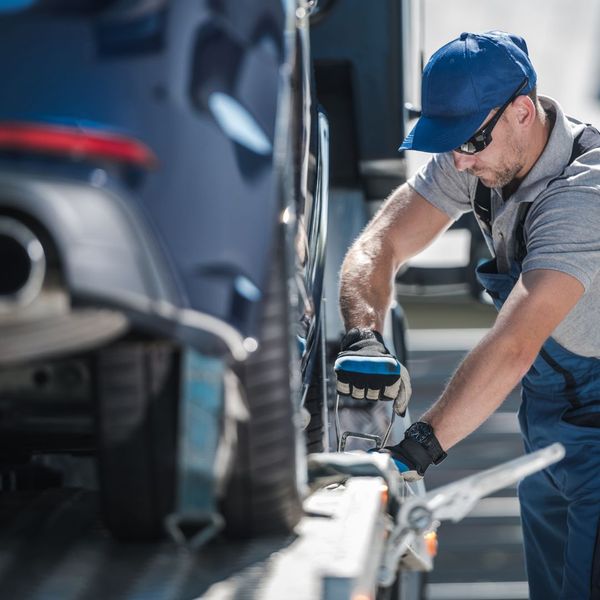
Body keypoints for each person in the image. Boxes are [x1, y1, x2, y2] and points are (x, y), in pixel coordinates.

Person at [334, 30, 600, 600]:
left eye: (470, 141)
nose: (457, 158)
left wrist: (415, 452)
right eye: (448, 142)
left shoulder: (585, 195)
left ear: (523, 112)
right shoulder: (481, 152)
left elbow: (514, 346)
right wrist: (365, 338)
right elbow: (377, 246)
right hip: (551, 422)